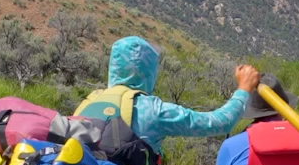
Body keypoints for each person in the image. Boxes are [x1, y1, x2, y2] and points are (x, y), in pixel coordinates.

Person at [75, 36, 261, 150]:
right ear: (149, 71)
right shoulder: (153, 110)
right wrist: (244, 89)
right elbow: (220, 123)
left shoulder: (88, 103)